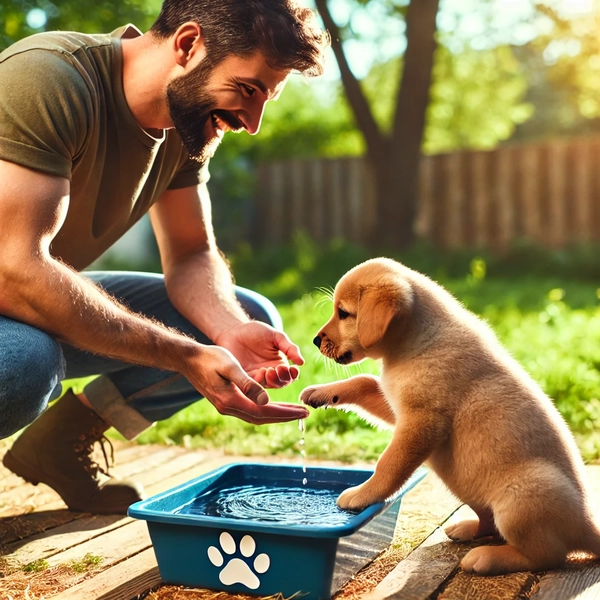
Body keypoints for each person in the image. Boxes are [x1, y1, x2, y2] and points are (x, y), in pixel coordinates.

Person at [0, 0, 329, 514]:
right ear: (189, 44)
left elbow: (193, 252)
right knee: (24, 364)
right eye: (248, 90)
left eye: (267, 98)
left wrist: (225, 330)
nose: (253, 122)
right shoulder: (49, 79)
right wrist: (182, 356)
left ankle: (57, 444)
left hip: (21, 297)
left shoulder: (184, 123)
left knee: (245, 319)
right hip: (13, 289)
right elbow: (14, 271)